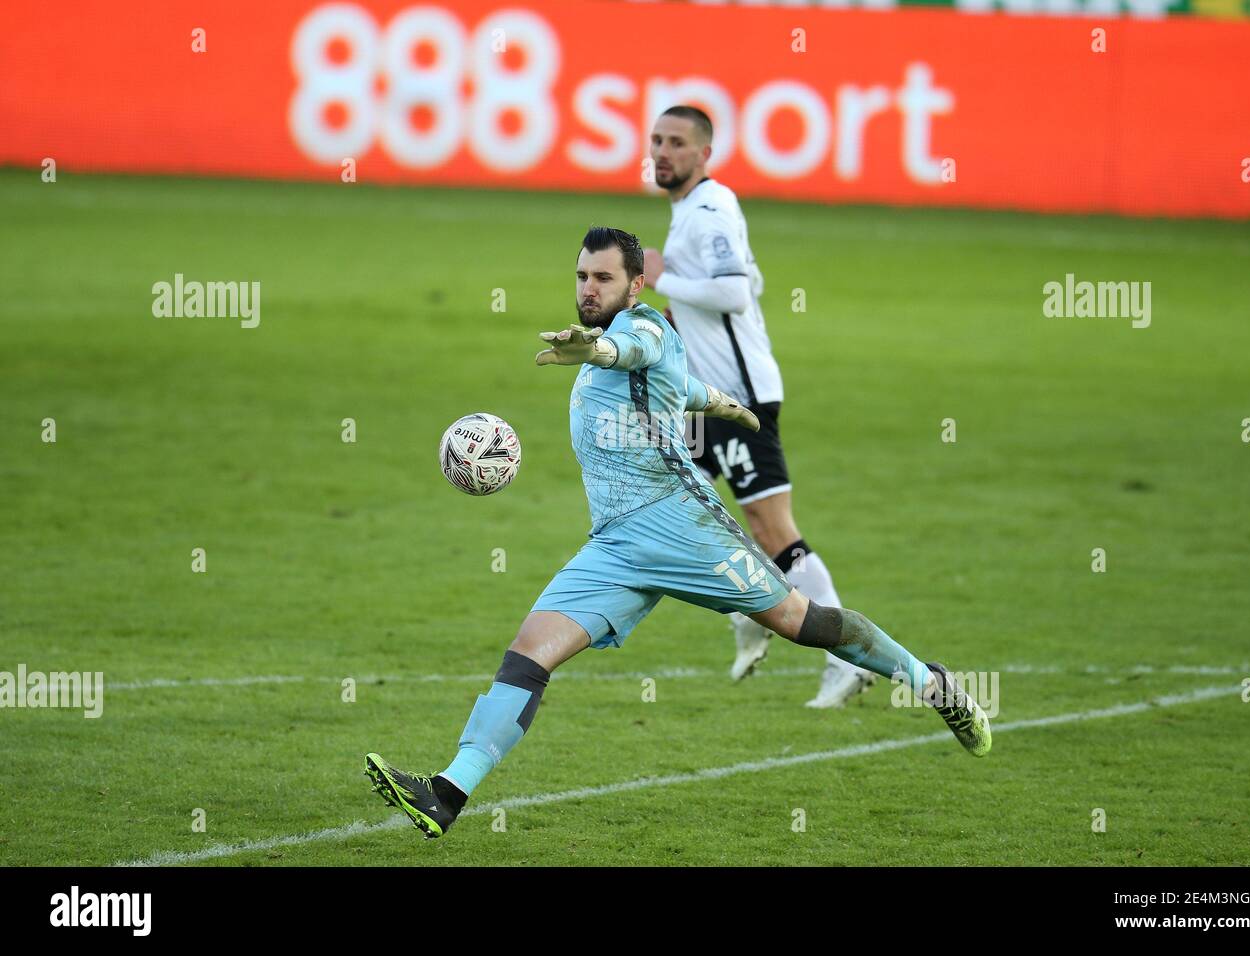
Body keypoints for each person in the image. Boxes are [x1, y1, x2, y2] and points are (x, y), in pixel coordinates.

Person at [365, 226, 990, 840]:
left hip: (683, 526)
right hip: (615, 545)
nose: (589, 287)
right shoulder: (607, 343)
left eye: (604, 277)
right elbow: (677, 384)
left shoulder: (643, 328)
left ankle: (932, 684)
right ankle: (446, 794)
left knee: (805, 623)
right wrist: (721, 403)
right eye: (582, 275)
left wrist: (600, 350)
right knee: (530, 652)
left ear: (635, 284)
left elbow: (634, 352)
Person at [643, 105, 873, 707]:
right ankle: (749, 608)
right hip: (705, 400)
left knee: (773, 526)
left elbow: (736, 292)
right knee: (684, 510)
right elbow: (751, 280)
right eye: (656, 141)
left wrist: (661, 279)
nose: (663, 152)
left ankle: (844, 653)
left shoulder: (711, 208)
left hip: (741, 402)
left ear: (703, 154)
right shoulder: (692, 212)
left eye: (676, 143)